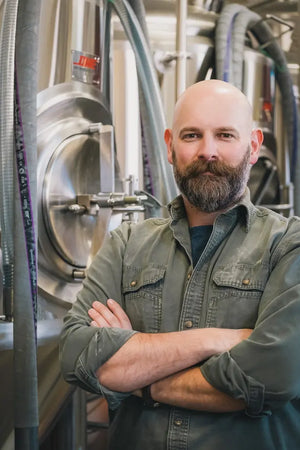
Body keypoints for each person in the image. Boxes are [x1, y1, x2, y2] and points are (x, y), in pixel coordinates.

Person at [60, 79, 300, 450]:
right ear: (170, 146)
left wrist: (139, 379)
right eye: (191, 136)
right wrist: (217, 339)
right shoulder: (127, 245)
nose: (208, 151)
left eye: (224, 135)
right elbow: (77, 355)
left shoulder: (288, 245)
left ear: (253, 147)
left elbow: (272, 376)